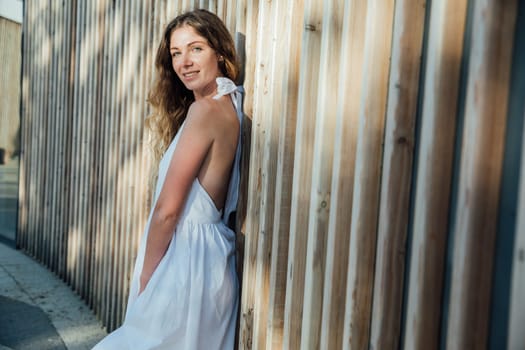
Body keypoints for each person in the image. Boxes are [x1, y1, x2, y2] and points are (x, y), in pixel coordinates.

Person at [93, 9, 243, 350]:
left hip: (184, 265)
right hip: (209, 262)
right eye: (176, 53)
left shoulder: (205, 111)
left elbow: (167, 211)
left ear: (219, 51)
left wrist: (147, 279)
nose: (184, 62)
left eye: (196, 49)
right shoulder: (228, 103)